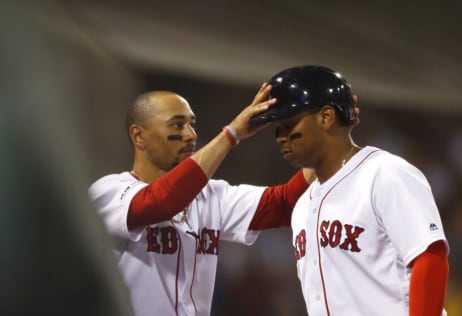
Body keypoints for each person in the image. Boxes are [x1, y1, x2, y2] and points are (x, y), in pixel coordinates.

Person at [88, 84, 315, 316]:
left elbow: (285, 203)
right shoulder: (109, 192)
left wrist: (323, 149)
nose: (191, 134)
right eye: (178, 124)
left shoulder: (212, 195)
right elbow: (160, 202)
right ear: (139, 136)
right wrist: (231, 135)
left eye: (192, 124)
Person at [251, 65, 449, 316]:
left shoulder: (384, 172)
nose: (281, 137)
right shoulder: (302, 206)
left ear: (326, 117)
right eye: (277, 129)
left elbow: (430, 258)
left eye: (289, 124)